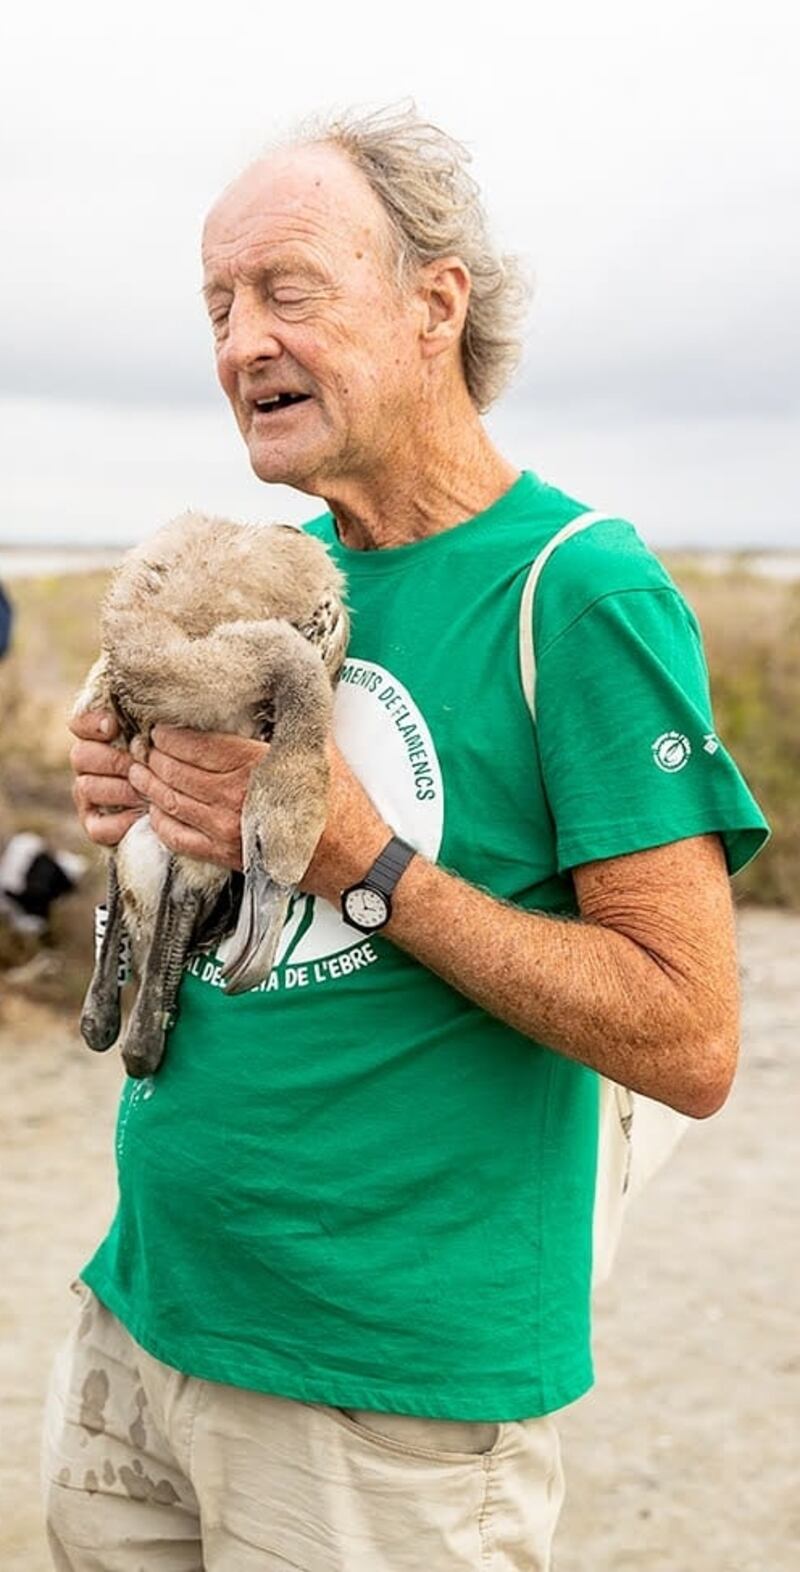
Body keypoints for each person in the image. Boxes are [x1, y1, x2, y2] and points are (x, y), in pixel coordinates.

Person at [46, 105, 769, 1571]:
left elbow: (690, 1039)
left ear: (436, 302)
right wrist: (133, 801)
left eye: (288, 289)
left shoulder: (581, 593)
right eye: (218, 304)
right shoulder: (286, 577)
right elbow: (225, 893)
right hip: (143, 1324)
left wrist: (365, 864)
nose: (243, 340)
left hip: (382, 1412)